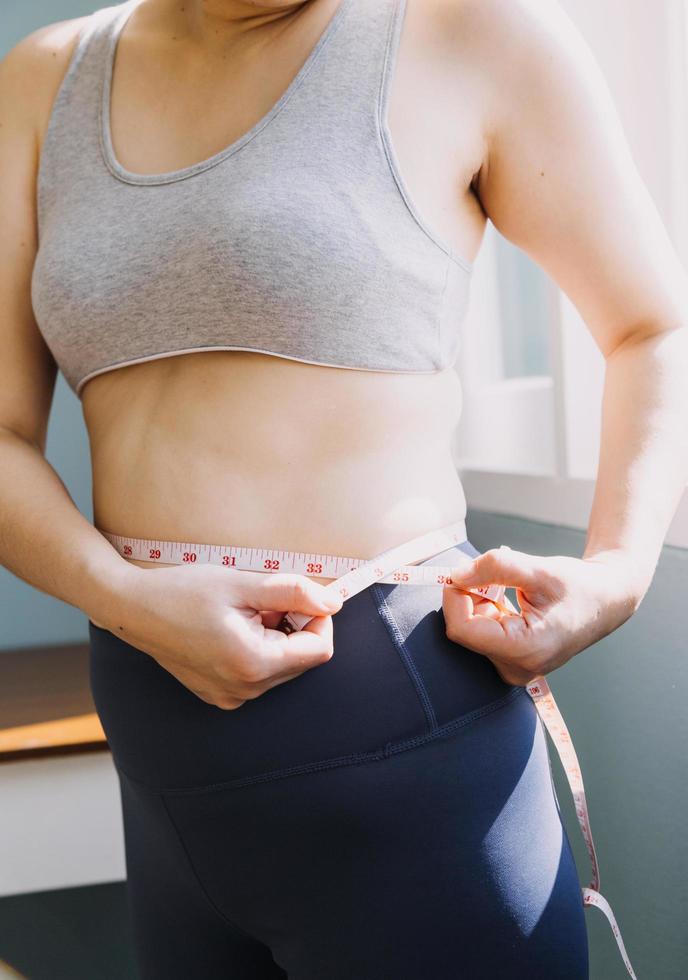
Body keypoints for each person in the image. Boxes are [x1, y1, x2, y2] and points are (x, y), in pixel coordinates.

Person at [1, 0, 686, 976]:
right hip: (159, 765)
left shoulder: (471, 33)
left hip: (406, 755)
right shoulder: (44, 78)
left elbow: (649, 327)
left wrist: (617, 571)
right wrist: (126, 599)